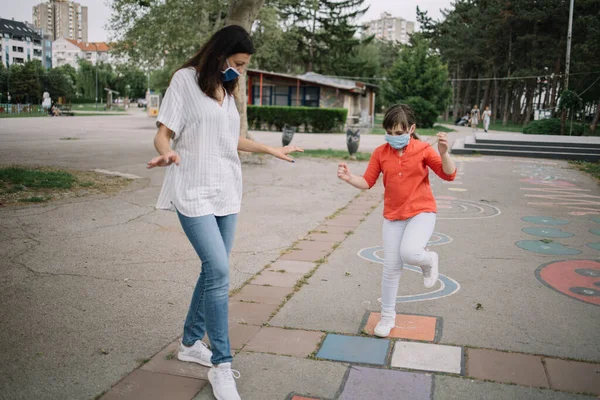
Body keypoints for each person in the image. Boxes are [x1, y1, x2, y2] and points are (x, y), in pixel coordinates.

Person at [146, 25, 302, 400]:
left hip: (226, 191)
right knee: (218, 270)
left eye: (245, 66)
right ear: (219, 54)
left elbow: (228, 138)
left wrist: (269, 149)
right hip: (192, 190)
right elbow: (164, 132)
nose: (241, 71)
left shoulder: (227, 91)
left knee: (212, 270)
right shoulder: (184, 81)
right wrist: (166, 151)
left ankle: (189, 342)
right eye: (238, 63)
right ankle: (222, 364)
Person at [337, 104, 456, 338]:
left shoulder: (423, 149)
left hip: (422, 212)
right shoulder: (381, 153)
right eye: (389, 133)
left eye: (399, 133)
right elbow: (368, 181)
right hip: (393, 216)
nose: (393, 138)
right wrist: (350, 178)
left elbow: (449, 174)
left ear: (411, 129)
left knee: (410, 253)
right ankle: (387, 316)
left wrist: (443, 153)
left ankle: (429, 260)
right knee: (391, 268)